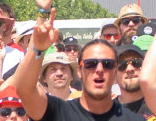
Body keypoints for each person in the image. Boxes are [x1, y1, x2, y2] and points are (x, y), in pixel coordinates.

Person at [15, 9, 144, 121]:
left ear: (116, 71)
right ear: (79, 71)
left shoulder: (135, 119)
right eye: (91, 64)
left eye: (107, 64)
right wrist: (37, 50)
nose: (99, 69)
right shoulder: (59, 112)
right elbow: (24, 90)